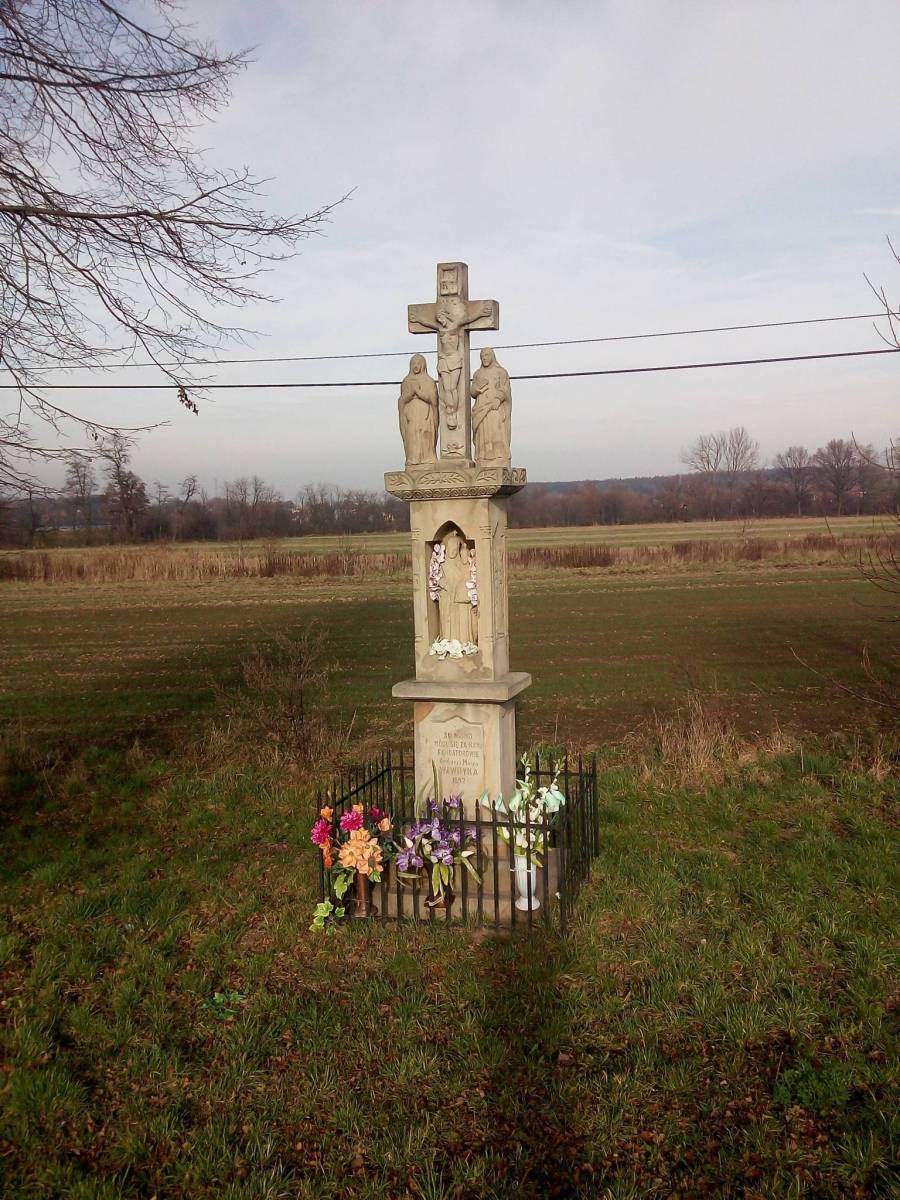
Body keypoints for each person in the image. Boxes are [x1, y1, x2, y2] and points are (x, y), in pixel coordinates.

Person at [470, 347, 511, 466]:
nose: (484, 358)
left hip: (494, 407)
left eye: (486, 355)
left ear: (492, 356)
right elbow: (472, 392)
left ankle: (499, 456)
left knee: (496, 430)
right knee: (483, 433)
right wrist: (477, 389)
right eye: (482, 356)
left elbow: (505, 388)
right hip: (481, 407)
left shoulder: (501, 372)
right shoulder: (477, 373)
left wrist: (498, 398)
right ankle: (483, 458)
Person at [398, 354, 438, 465]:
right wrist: (409, 394)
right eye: (413, 363)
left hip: (425, 415)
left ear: (423, 365)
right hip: (411, 415)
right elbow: (401, 401)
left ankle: (427, 457)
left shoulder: (429, 381)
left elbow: (433, 400)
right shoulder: (406, 381)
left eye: (418, 363)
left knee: (425, 434)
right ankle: (413, 458)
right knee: (412, 435)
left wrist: (419, 392)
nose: (416, 366)